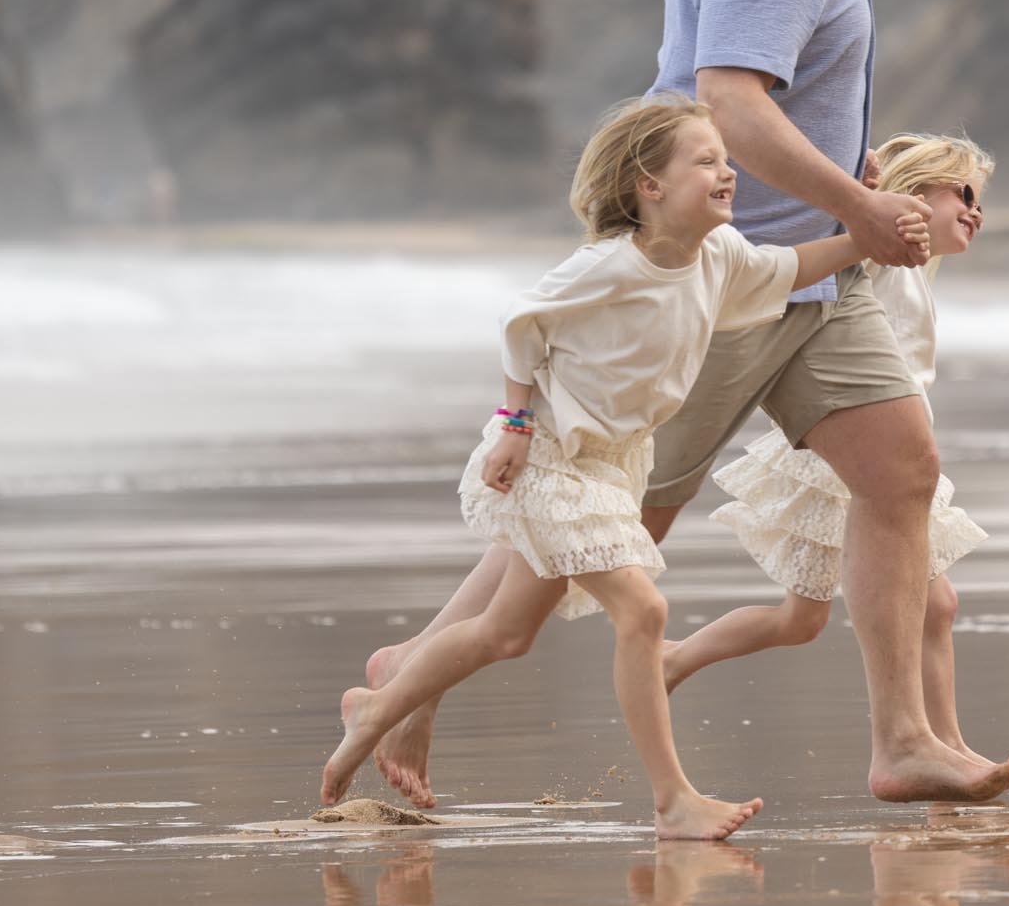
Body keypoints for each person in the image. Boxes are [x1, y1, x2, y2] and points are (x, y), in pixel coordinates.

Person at [362, 0, 1009, 808]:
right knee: (577, 544)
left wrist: (841, 223)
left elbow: (773, 105)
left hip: (807, 275)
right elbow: (732, 102)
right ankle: (405, 682)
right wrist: (857, 209)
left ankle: (903, 738)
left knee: (899, 474)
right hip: (713, 285)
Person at [320, 93, 929, 840]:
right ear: (650, 185)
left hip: (611, 469)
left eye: (726, 159)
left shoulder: (717, 259)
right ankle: (672, 800)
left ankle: (378, 707)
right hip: (552, 458)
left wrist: (865, 238)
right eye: (707, 161)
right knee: (643, 611)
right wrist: (513, 424)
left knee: (508, 633)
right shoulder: (609, 265)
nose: (727, 172)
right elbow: (521, 324)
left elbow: (787, 268)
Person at [661, 133, 1009, 779]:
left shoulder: (919, 268)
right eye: (963, 194)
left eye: (981, 206)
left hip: (889, 458)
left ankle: (676, 659)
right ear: (916, 188)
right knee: (925, 606)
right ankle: (943, 747)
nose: (975, 214)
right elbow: (844, 226)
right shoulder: (874, 252)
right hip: (847, 458)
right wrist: (868, 189)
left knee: (805, 619)